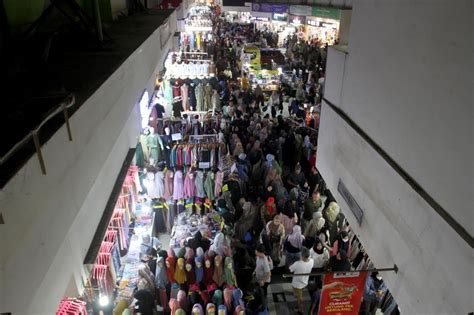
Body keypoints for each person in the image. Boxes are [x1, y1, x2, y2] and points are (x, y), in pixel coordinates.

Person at [289, 247, 314, 315]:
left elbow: (290, 269)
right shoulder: (312, 261)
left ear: (302, 256)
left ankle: (301, 310)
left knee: (300, 299)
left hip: (297, 284)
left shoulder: (297, 263)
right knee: (299, 293)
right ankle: (296, 296)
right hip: (305, 282)